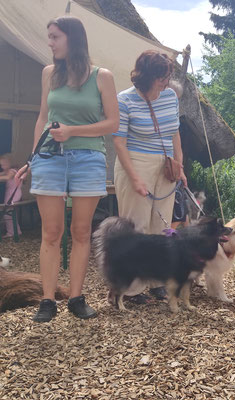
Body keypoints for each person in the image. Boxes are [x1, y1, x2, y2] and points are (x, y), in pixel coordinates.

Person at [15, 16, 119, 322]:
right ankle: (47, 300)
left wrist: (74, 130)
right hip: (49, 158)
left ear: (72, 39)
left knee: (81, 231)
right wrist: (32, 157)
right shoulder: (49, 74)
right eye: (49, 37)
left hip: (88, 159)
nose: (49, 43)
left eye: (54, 37)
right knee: (51, 232)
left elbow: (112, 123)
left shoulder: (103, 76)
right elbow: (42, 118)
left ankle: (76, 297)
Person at [113, 50, 186, 303]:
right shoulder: (124, 100)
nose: (165, 81)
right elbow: (119, 143)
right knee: (136, 227)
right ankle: (130, 289)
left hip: (165, 164)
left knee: (162, 226)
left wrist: (180, 165)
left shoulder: (170, 97)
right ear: (147, 75)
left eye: (167, 76)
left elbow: (175, 133)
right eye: (161, 76)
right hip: (134, 161)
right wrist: (134, 177)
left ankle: (156, 281)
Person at [0, 155, 22, 238]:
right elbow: (3, 174)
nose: (3, 166)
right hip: (10, 193)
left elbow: (7, 177)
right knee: (11, 213)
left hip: (13, 194)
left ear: (9, 163)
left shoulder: (13, 171)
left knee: (8, 214)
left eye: (4, 164)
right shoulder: (8, 171)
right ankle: (17, 231)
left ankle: (11, 232)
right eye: (1, 165)